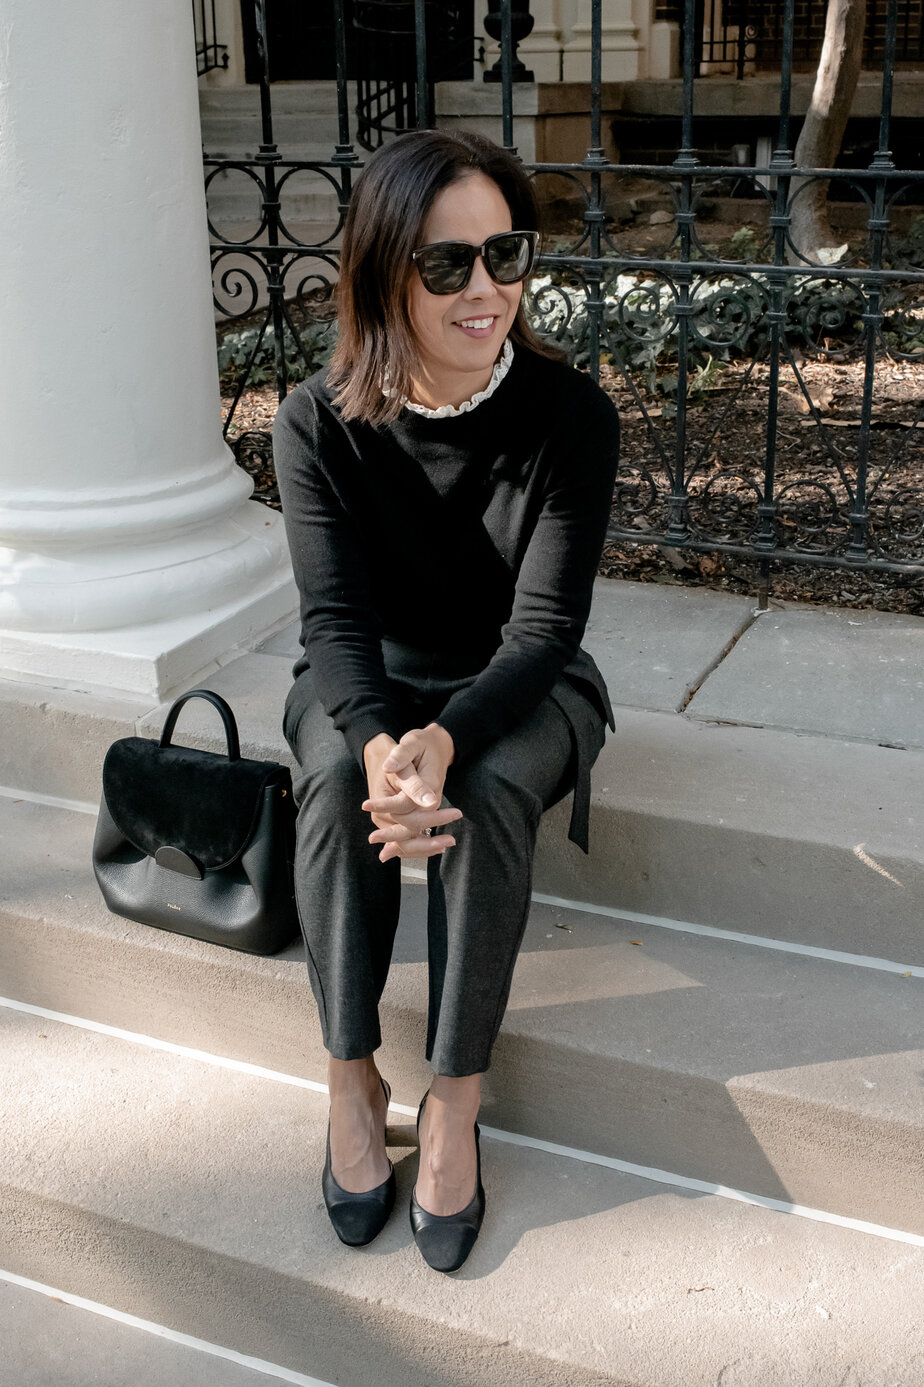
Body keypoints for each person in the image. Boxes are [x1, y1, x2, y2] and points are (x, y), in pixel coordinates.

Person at [272, 127, 619, 1274]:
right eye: (446, 264)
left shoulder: (571, 415)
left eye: (505, 255)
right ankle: (351, 1076)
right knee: (335, 774)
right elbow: (333, 626)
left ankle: (456, 1097)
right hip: (370, 674)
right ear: (385, 274)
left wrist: (442, 738)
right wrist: (382, 742)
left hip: (518, 681)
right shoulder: (317, 422)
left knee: (486, 783)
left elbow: (544, 632)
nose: (486, 290)